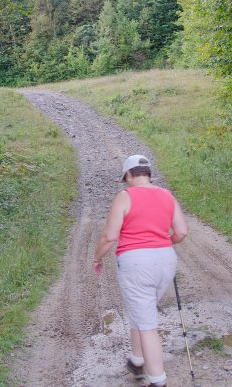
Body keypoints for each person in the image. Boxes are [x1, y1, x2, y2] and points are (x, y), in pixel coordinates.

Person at [93, 154, 188, 387]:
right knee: (143, 309)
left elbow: (109, 236)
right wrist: (165, 241)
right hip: (166, 260)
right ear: (148, 174)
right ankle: (136, 360)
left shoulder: (124, 197)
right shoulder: (167, 195)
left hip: (136, 263)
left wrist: (97, 257)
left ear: (127, 175)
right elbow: (181, 232)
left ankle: (158, 380)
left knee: (147, 324)